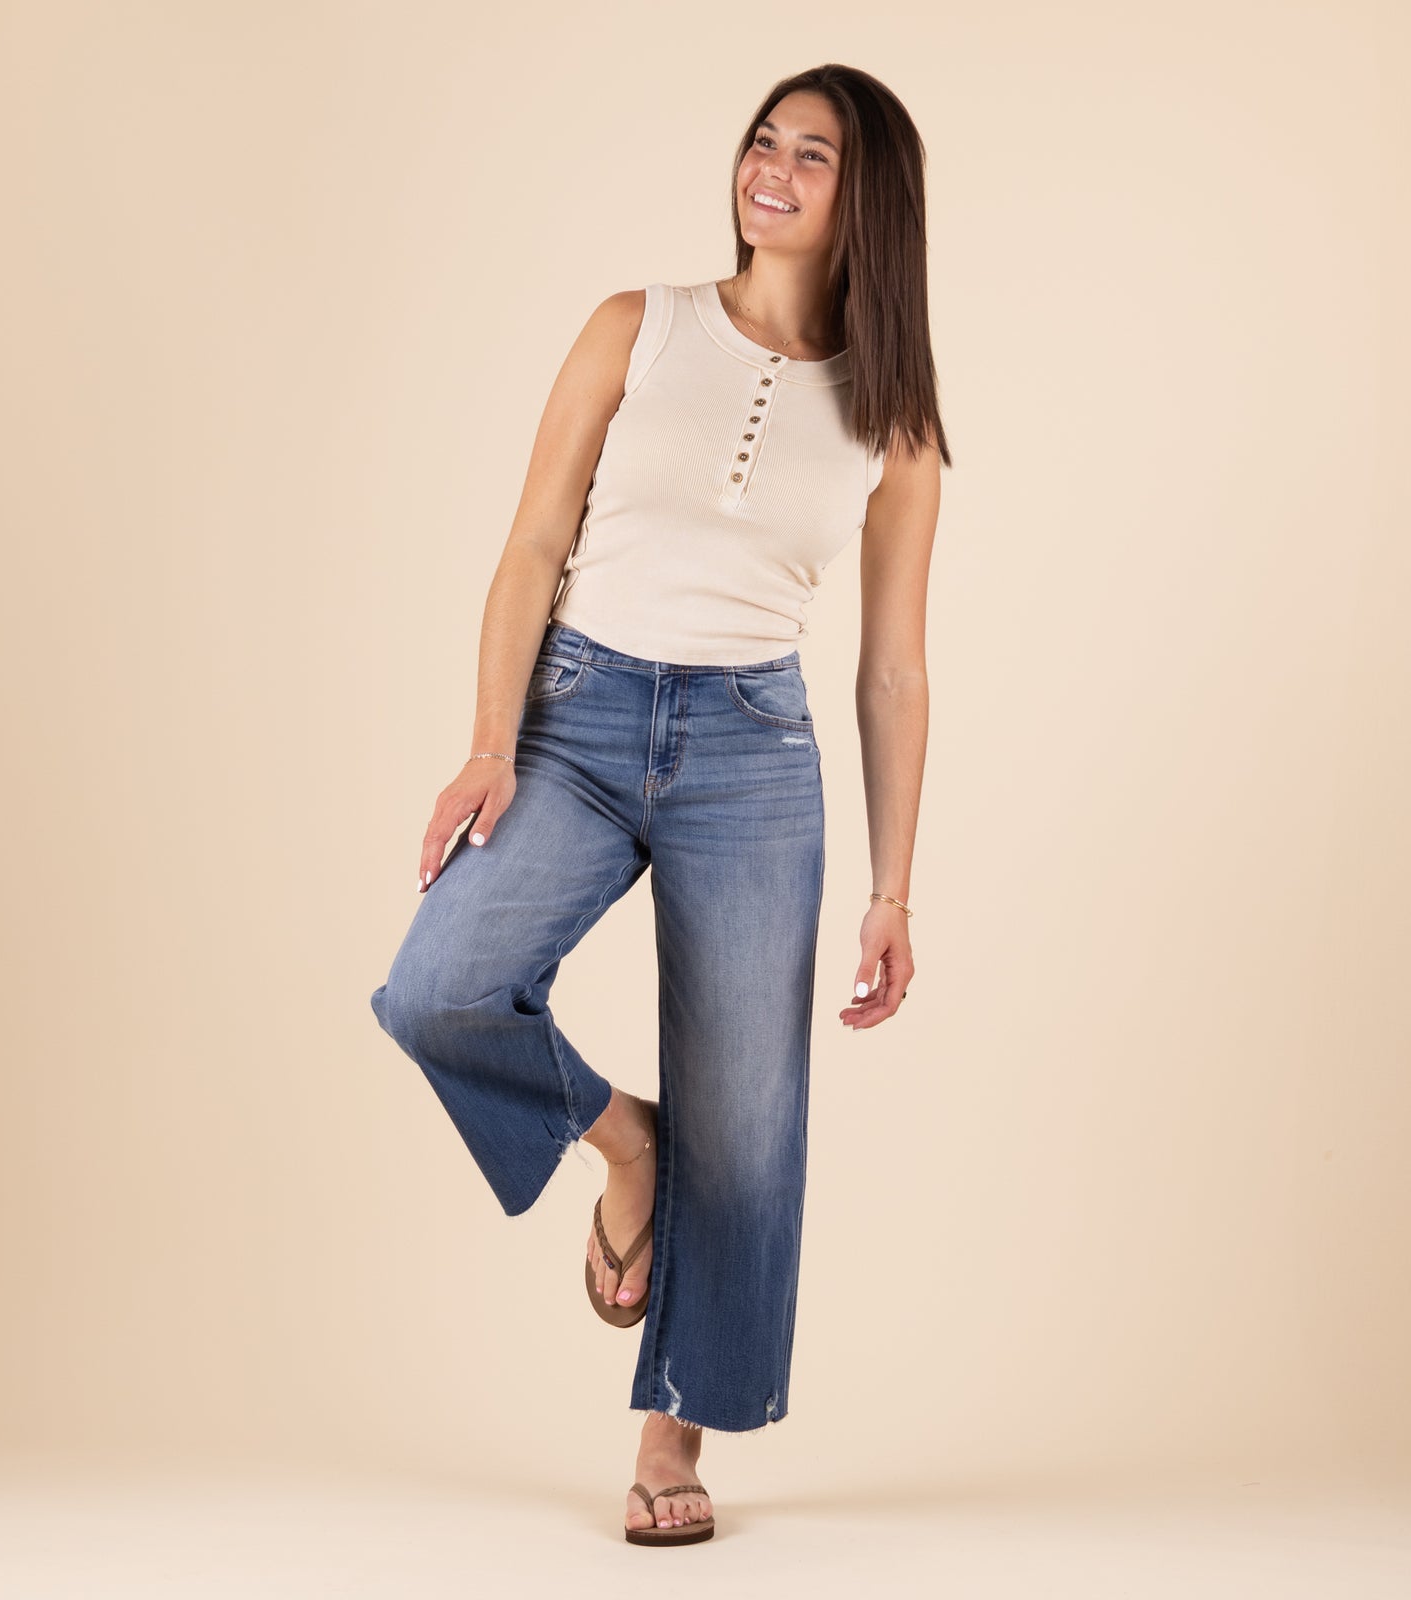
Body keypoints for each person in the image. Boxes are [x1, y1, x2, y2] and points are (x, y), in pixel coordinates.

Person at [369, 62, 947, 1547]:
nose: (772, 168)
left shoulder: (898, 427)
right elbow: (531, 543)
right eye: (764, 140)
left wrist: (893, 888)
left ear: (866, 196)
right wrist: (491, 739)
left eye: (811, 155)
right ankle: (629, 1142)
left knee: (752, 1124)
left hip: (756, 745)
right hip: (575, 716)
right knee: (439, 985)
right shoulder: (639, 325)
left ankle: (671, 1434)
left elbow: (892, 672)